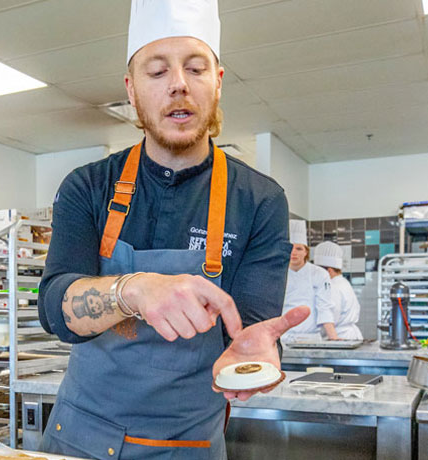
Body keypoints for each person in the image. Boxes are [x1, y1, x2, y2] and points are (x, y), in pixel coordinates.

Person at [33, 2, 306, 458]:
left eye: (195, 68)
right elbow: (54, 308)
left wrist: (253, 355)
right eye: (156, 72)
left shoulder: (260, 200)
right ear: (132, 90)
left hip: (189, 444)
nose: (178, 83)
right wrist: (133, 290)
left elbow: (250, 329)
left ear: (217, 82)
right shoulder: (88, 186)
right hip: (79, 438)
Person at [281, 220, 340, 342]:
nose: (294, 253)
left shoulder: (319, 274)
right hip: (283, 336)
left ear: (306, 251)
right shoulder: (278, 273)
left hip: (310, 338)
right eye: (290, 248)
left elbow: (324, 307)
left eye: (299, 248)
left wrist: (333, 338)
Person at [310, 242, 362, 340]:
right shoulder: (344, 282)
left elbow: (330, 319)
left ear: (328, 271)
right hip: (348, 335)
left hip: (338, 337)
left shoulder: (332, 288)